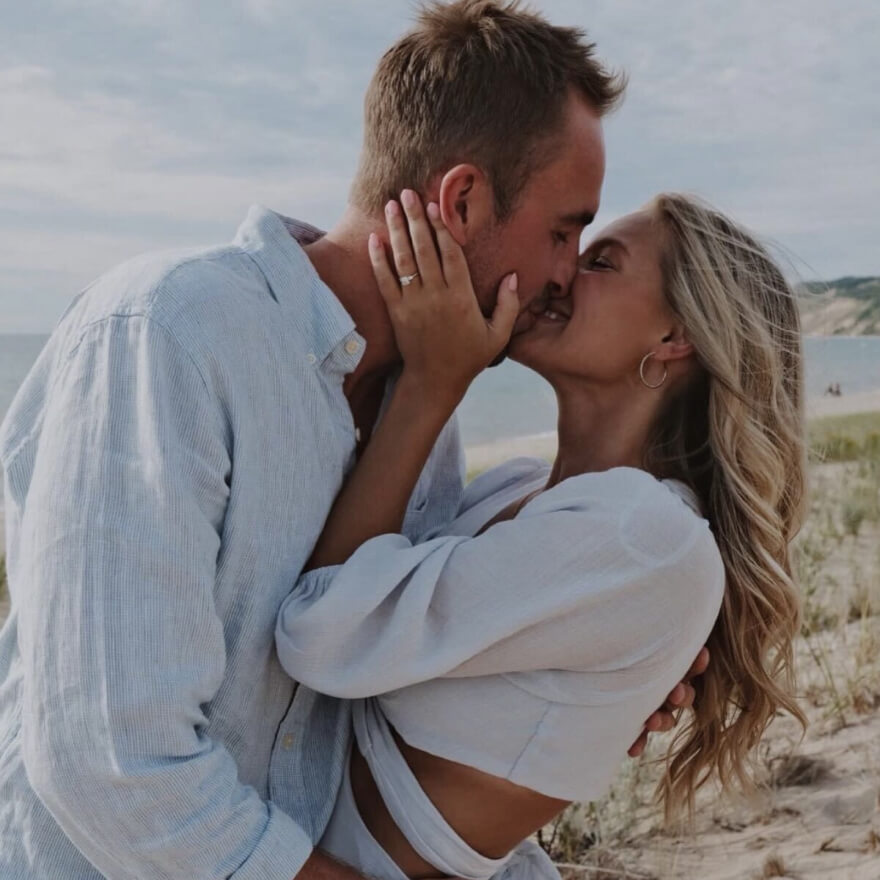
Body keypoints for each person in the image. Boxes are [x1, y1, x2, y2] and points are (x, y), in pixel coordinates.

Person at [0, 3, 700, 878]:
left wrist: (585, 680)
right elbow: (115, 770)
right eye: (564, 231)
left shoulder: (424, 428)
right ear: (464, 200)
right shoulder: (170, 333)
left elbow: (374, 698)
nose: (565, 274)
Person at [274, 191, 808, 879]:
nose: (558, 276)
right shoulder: (522, 490)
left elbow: (319, 631)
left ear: (675, 337)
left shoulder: (641, 535)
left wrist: (432, 383)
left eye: (602, 263)